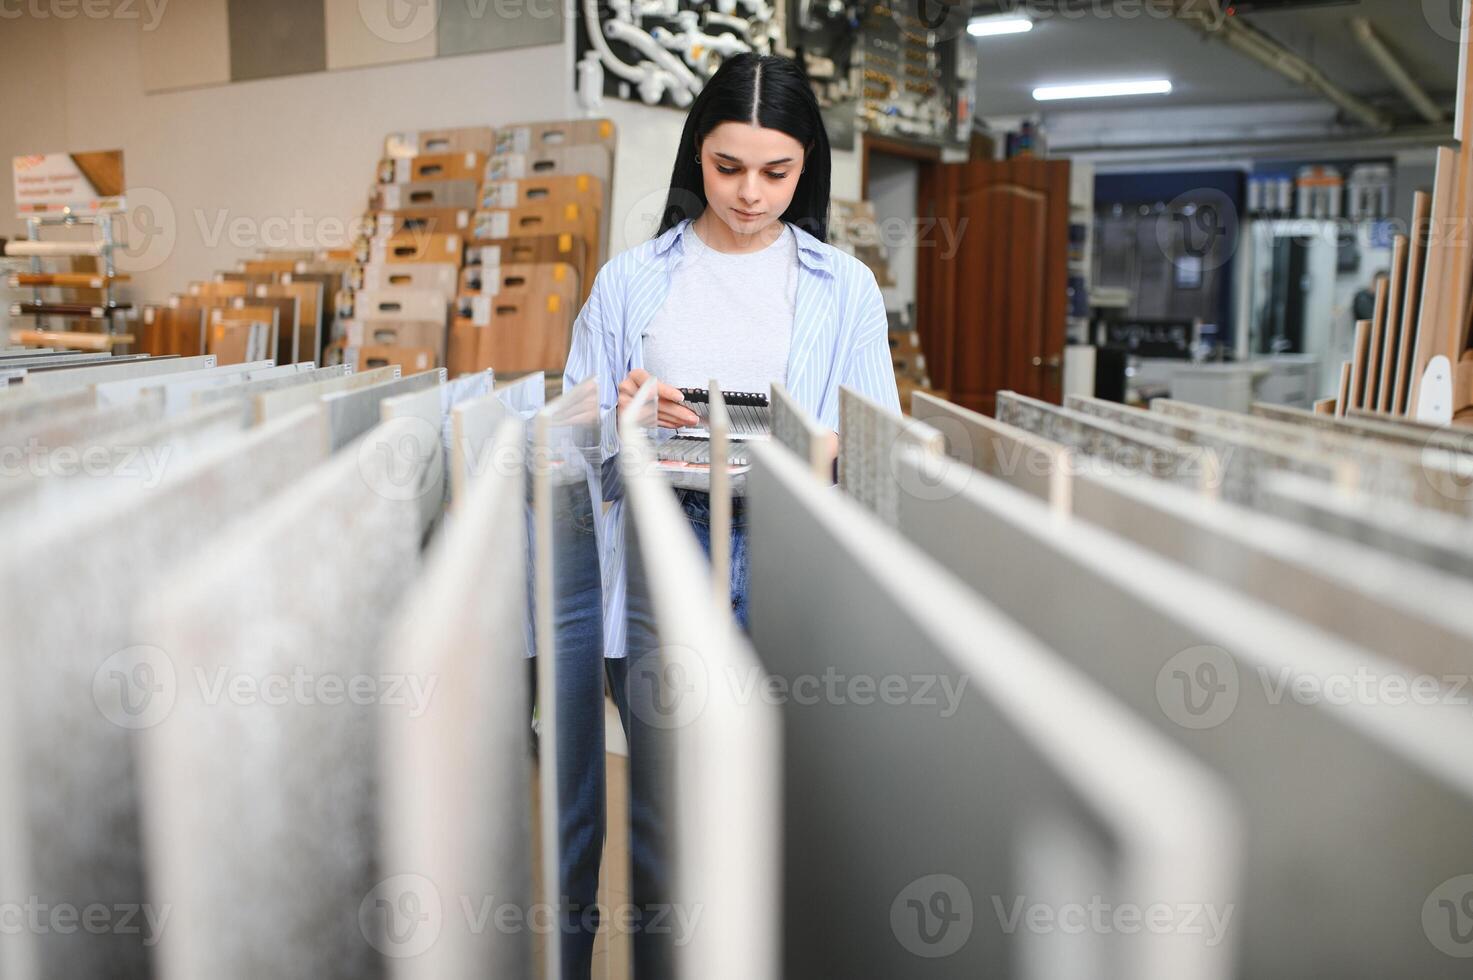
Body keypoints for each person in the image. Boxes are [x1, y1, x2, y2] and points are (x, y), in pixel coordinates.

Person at [555, 51, 901, 978]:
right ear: (694, 158)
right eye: (727, 167)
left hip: (783, 555)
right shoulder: (632, 280)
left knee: (768, 817)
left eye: (776, 172)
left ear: (806, 166)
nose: (750, 194)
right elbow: (568, 440)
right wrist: (618, 409)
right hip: (660, 546)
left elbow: (879, 458)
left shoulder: (844, 287)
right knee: (669, 819)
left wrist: (813, 447)